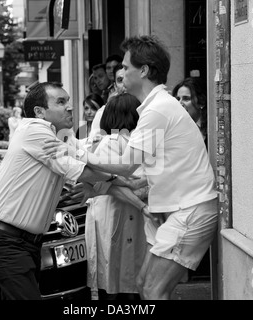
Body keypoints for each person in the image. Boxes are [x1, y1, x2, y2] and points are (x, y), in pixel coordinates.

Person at [42, 35, 218, 300]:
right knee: (143, 285)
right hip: (179, 212)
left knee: (151, 290)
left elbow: (125, 167)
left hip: (190, 211)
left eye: (125, 66)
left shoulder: (158, 108)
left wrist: (73, 150)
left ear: (144, 70)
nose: (120, 72)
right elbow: (140, 178)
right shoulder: (155, 107)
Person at [0, 82, 151, 300]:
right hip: (5, 242)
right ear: (39, 112)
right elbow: (84, 170)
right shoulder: (34, 130)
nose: (70, 107)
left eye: (68, 101)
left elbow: (83, 153)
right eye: (60, 102)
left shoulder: (61, 136)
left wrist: (94, 150)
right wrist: (124, 180)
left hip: (25, 244)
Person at [85, 93, 147, 300]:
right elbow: (109, 181)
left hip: (115, 213)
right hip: (119, 212)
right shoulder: (120, 141)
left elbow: (111, 181)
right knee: (124, 275)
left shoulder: (116, 141)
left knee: (116, 276)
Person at [172, 77, 208, 143]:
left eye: (186, 99)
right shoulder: (174, 131)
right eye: (178, 99)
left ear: (201, 102)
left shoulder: (212, 130)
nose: (180, 103)